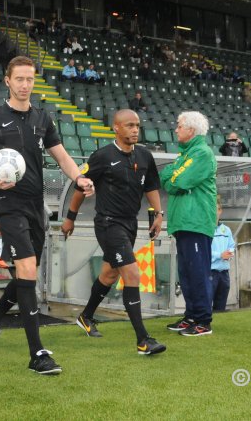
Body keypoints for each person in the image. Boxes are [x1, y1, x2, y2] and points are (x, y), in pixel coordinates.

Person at [0, 56, 95, 375]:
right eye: (19, 79)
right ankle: (37, 353)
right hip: (6, 203)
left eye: (30, 80)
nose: (25, 85)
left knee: (27, 274)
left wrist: (78, 177)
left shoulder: (42, 118)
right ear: (7, 81)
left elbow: (61, 156)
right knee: (25, 267)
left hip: (35, 204)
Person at [60, 109, 166, 355]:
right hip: (108, 224)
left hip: (130, 223)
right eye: (129, 125)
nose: (135, 130)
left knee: (109, 274)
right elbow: (80, 187)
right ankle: (143, 339)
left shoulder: (144, 155)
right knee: (132, 274)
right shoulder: (102, 156)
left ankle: (86, 316)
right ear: (116, 128)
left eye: (137, 125)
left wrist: (159, 214)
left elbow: (151, 186)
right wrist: (70, 219)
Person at [160, 111, 217, 337]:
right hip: (185, 222)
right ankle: (192, 315)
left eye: (179, 126)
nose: (176, 129)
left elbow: (178, 180)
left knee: (197, 272)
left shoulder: (201, 153)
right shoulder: (186, 155)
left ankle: (203, 321)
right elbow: (168, 178)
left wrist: (172, 178)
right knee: (186, 272)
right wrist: (171, 177)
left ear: (191, 130)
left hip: (196, 221)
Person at [210, 198, 235, 313]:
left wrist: (230, 253)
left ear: (220, 211)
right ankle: (204, 324)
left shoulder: (227, 230)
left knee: (221, 306)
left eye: (216, 210)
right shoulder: (205, 230)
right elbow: (203, 252)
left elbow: (232, 245)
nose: (214, 212)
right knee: (206, 303)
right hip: (210, 273)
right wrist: (220, 255)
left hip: (224, 274)